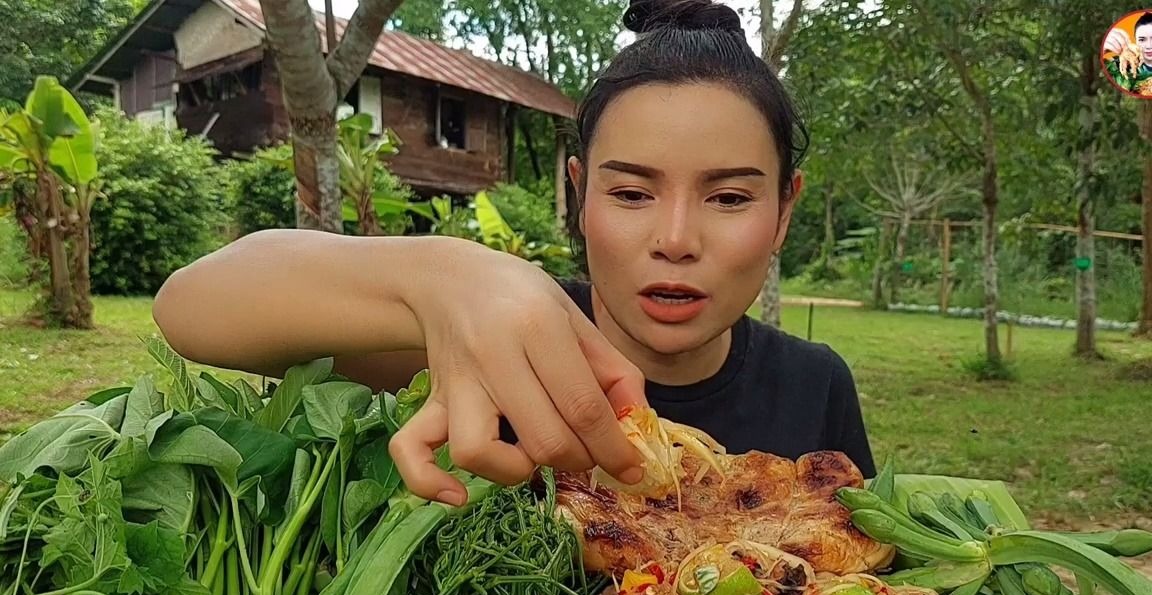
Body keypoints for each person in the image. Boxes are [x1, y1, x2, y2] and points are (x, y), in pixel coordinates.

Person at [152, 0, 876, 508]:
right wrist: (445, 277)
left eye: (729, 198)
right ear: (577, 196)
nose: (677, 240)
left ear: (785, 210)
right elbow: (190, 308)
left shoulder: (816, 386)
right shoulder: (491, 335)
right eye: (630, 194)